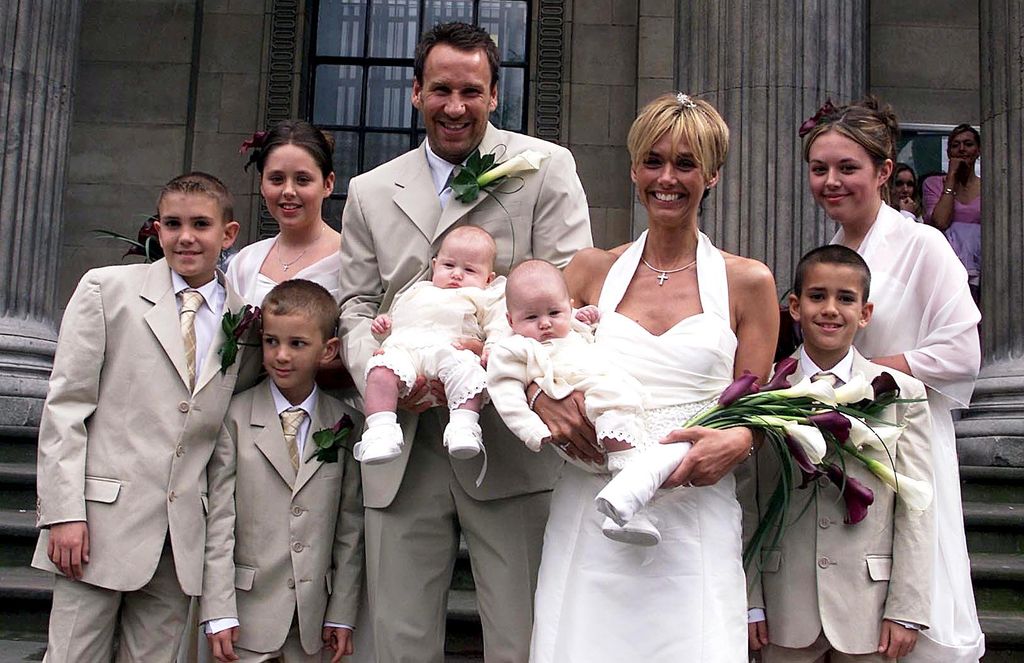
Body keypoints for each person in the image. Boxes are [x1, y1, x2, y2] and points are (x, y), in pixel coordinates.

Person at [337, 21, 592, 663]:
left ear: (495, 96)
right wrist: (389, 384)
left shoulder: (544, 168)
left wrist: (512, 369)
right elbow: (357, 306)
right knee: (398, 641)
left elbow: (564, 294)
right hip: (403, 448)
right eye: (442, 89)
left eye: (472, 91)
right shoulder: (370, 192)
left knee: (528, 636)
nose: (456, 106)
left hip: (510, 443)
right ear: (415, 91)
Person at [526, 93, 778, 662]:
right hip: (592, 503)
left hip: (693, 506)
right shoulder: (591, 270)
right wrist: (543, 398)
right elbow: (526, 350)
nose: (667, 178)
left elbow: (756, 407)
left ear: (711, 175)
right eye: (654, 161)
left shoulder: (749, 283)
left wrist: (740, 441)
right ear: (634, 168)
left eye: (686, 164)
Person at [32, 172, 255, 661]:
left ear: (229, 234)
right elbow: (67, 407)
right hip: (94, 528)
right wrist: (64, 512)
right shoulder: (107, 290)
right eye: (172, 224)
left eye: (201, 224)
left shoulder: (245, 321)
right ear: (157, 229)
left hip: (179, 541)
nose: (186, 237)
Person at [802, 97, 984, 662]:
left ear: (883, 171)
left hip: (909, 439)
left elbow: (961, 350)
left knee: (908, 597)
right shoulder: (835, 253)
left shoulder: (923, 244)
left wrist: (869, 378)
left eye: (847, 168)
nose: (831, 181)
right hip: (843, 446)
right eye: (819, 169)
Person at [746, 245, 935, 662]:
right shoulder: (765, 392)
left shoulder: (902, 394)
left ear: (865, 312)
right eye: (817, 296)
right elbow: (748, 501)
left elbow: (917, 509)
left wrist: (907, 609)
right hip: (783, 604)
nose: (830, 309)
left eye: (845, 299)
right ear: (794, 306)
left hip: (869, 607)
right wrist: (749, 599)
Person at [200, 280, 364, 663]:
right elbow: (220, 520)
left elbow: (350, 528)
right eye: (272, 341)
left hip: (312, 623)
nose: (281, 355)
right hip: (243, 616)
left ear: (329, 350)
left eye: (297, 344)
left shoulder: (346, 423)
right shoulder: (234, 419)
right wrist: (219, 609)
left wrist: (342, 611)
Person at [487, 259, 664, 546]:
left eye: (554, 313)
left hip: (605, 390)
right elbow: (505, 392)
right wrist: (530, 429)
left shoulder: (571, 328)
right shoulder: (514, 349)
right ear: (510, 321)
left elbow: (586, 329)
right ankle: (627, 493)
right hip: (571, 395)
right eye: (531, 318)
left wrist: (585, 318)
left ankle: (629, 497)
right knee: (610, 406)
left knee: (619, 411)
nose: (545, 323)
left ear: (568, 307)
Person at [357, 226, 507, 467]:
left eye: (469, 270)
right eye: (449, 266)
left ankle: (464, 426)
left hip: (452, 348)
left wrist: (491, 347)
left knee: (469, 372)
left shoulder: (485, 296)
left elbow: (498, 323)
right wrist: (385, 328)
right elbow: (399, 319)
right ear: (435, 265)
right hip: (406, 349)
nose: (456, 275)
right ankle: (380, 431)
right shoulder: (417, 290)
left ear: (488, 279)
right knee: (380, 370)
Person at [227, 120, 342, 304]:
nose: (288, 191)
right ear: (261, 184)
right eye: (277, 179)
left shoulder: (350, 261)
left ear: (328, 184)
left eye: (302, 179)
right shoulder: (244, 263)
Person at [922, 124, 982, 302]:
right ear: (948, 152)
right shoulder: (933, 184)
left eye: (968, 144)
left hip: (981, 270)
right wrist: (951, 179)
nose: (962, 149)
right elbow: (940, 222)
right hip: (945, 268)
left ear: (978, 150)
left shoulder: (989, 186)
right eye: (955, 145)